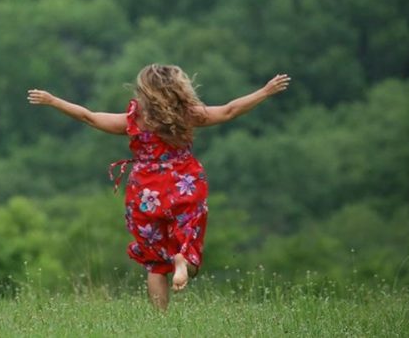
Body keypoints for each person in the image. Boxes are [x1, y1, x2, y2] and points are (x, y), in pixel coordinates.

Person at [27, 64, 290, 310]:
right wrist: (265, 91)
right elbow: (230, 110)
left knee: (154, 263)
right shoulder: (187, 115)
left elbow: (90, 117)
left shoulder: (134, 120)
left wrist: (53, 101)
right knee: (186, 241)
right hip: (184, 184)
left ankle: (160, 323)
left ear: (144, 92)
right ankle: (181, 260)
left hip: (146, 191)